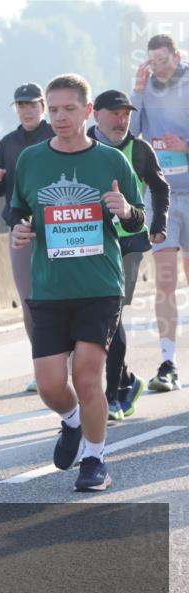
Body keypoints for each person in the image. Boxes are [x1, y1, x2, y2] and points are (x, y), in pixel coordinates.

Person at [11, 74, 146, 492]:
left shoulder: (111, 160)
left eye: (69, 109)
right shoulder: (31, 160)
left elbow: (137, 219)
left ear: (88, 112)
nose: (60, 117)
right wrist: (20, 229)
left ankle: (94, 460)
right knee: (51, 385)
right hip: (50, 287)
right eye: (53, 110)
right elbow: (19, 210)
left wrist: (125, 210)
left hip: (100, 285)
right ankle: (71, 421)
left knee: (87, 377)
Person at [88, 89, 169, 420]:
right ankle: (126, 380)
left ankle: (113, 394)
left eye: (126, 115)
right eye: (115, 114)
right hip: (90, 242)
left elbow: (160, 186)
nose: (122, 121)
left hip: (130, 242)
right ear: (97, 115)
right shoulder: (82, 148)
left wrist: (158, 223)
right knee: (95, 318)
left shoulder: (139, 149)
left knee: (113, 314)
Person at [0, 83, 55, 392]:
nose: (26, 110)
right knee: (30, 301)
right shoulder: (8, 143)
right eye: (21, 106)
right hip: (21, 229)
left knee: (64, 296)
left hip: (59, 227)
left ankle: (71, 360)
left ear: (42, 107)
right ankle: (44, 368)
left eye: (32, 105)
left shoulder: (56, 135)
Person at [130, 33, 188, 392]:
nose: (158, 68)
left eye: (163, 61)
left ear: (177, 57)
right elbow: (130, 132)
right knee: (165, 281)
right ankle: (168, 362)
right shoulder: (145, 88)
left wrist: (186, 146)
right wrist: (137, 91)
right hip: (160, 195)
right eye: (152, 62)